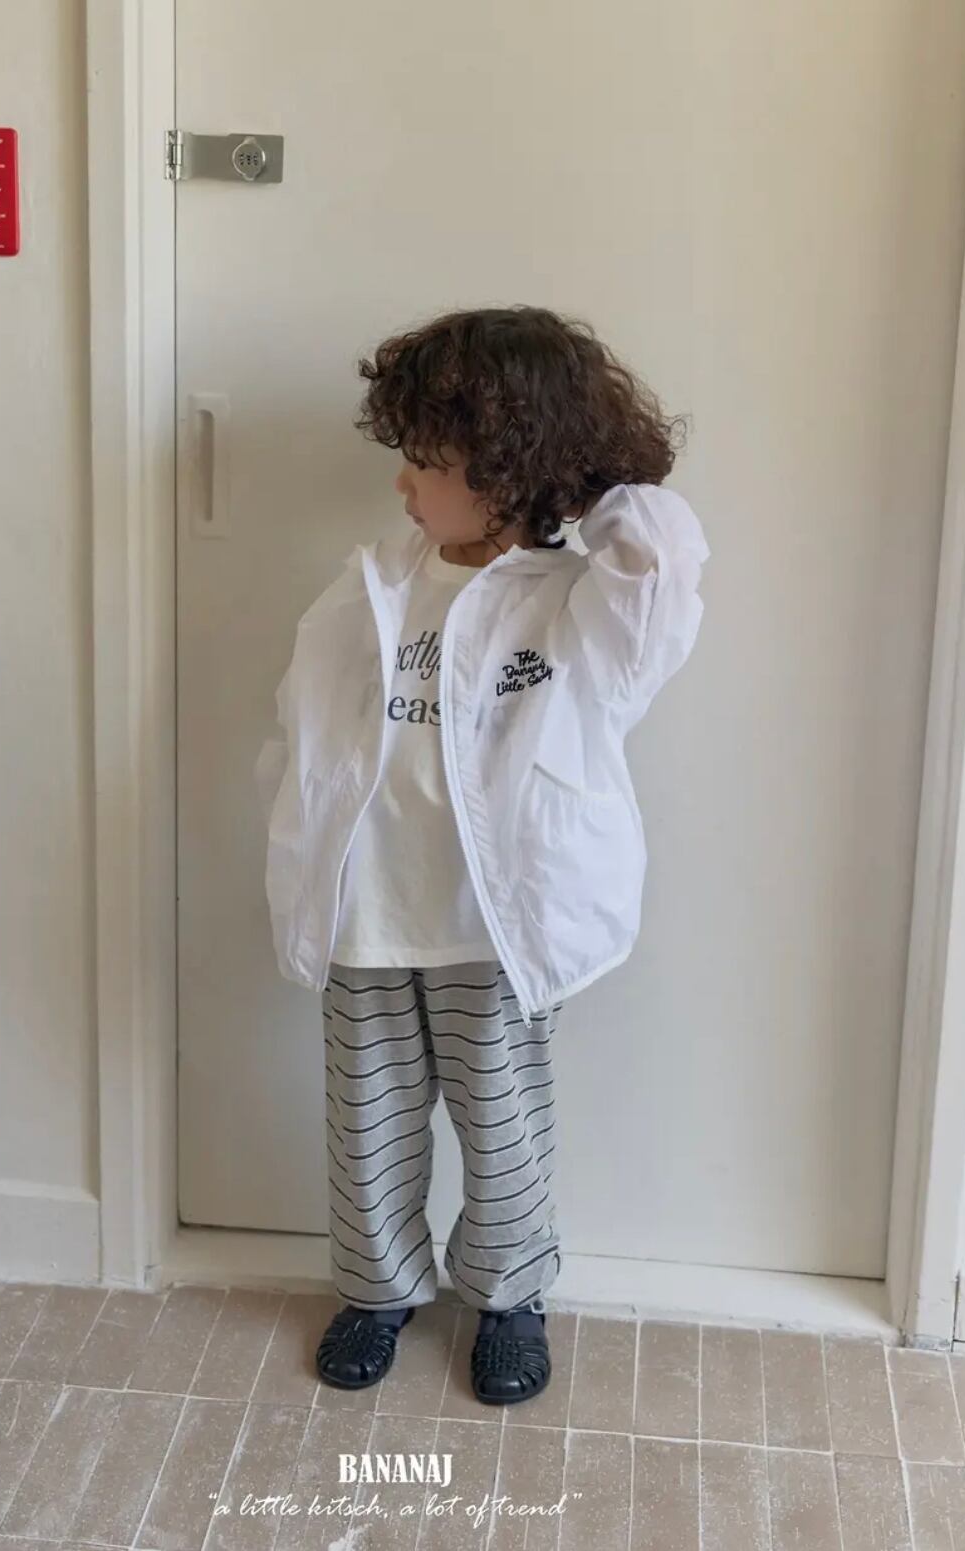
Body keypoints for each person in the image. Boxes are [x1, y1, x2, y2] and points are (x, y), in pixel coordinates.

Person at [255, 305, 710, 1405]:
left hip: (495, 926)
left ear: (509, 469)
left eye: (427, 460)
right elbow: (306, 727)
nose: (403, 483)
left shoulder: (577, 605)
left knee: (502, 1127)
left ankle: (508, 1296)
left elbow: (661, 567)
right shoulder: (376, 583)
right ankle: (378, 1290)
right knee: (367, 1125)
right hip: (370, 912)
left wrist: (590, 484)